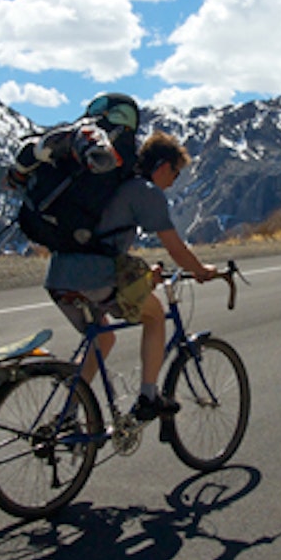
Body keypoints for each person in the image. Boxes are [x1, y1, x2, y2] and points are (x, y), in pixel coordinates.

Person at [46, 130, 217, 421]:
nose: (173, 183)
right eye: (175, 175)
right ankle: (149, 397)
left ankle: (68, 414)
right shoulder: (145, 191)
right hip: (93, 277)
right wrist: (201, 271)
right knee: (154, 315)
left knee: (103, 338)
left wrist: (144, 276)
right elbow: (175, 247)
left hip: (59, 276)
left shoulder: (112, 184)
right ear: (163, 167)